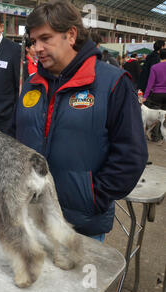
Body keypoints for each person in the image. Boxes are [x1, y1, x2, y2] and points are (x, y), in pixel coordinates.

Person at [12, 0, 148, 242]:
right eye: (34, 41)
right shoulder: (31, 85)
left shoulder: (112, 84)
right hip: (30, 216)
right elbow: (16, 138)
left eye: (46, 38)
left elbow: (131, 155)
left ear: (71, 35)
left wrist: (92, 195)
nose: (37, 48)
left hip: (80, 225)